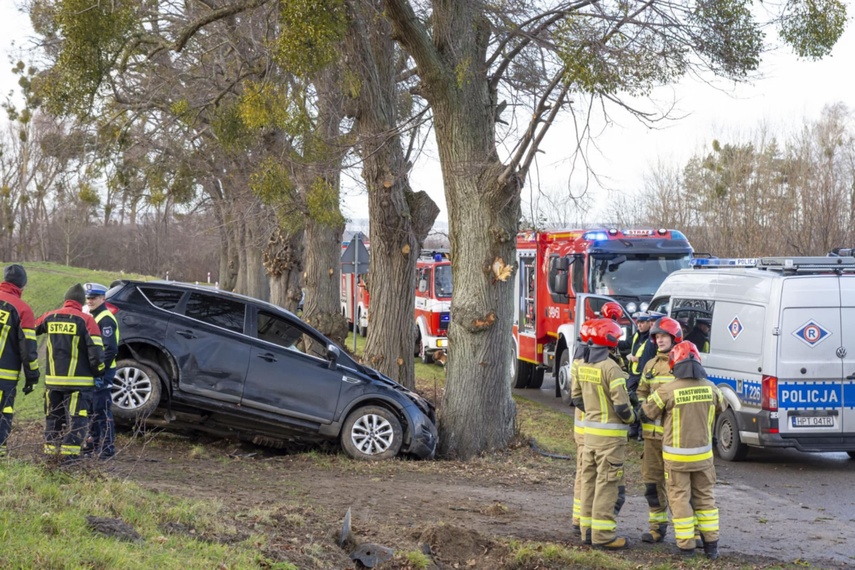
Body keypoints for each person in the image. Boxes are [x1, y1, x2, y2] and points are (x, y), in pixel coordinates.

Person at [639, 341, 728, 559]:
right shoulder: (711, 387)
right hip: (704, 458)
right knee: (705, 499)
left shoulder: (667, 390)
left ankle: (686, 547)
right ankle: (712, 547)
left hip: (676, 458)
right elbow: (722, 407)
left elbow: (645, 413)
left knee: (679, 498)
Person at [571, 318, 636, 549]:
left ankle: (586, 531)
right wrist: (633, 419)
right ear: (609, 341)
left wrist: (595, 413)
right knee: (607, 485)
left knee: (589, 481)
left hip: (589, 437)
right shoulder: (611, 368)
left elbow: (576, 398)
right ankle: (603, 536)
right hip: (610, 441)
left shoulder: (583, 364)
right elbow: (622, 407)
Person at [37, 283, 105, 462]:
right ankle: (70, 461)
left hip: (52, 383)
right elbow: (96, 354)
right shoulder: (87, 321)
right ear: (81, 302)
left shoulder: (49, 317)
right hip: (79, 384)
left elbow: (30, 329)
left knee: (53, 419)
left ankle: (50, 459)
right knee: (77, 421)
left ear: (66, 300)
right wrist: (98, 373)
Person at [635, 316, 683, 544]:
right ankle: (657, 528)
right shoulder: (650, 365)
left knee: (679, 486)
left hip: (675, 439)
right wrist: (645, 407)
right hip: (651, 439)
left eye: (664, 336)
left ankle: (689, 532)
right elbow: (641, 392)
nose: (660, 339)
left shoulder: (682, 362)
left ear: (675, 338)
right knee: (652, 485)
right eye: (657, 336)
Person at [0, 265, 40, 458]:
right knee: (2, 415)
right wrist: (32, 377)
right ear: (22, 286)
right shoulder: (22, 309)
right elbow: (29, 349)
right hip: (3, 377)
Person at [83, 282, 119, 459]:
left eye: (94, 297)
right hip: (95, 371)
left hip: (103, 372)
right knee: (93, 410)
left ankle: (107, 448)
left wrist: (99, 371)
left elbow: (110, 349)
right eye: (88, 298)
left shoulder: (104, 318)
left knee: (101, 410)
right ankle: (92, 445)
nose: (90, 300)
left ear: (103, 298)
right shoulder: (94, 315)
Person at [569, 322, 590, 535]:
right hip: (590, 430)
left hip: (582, 428)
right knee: (587, 475)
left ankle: (579, 518)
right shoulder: (590, 363)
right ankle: (581, 519)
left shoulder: (579, 358)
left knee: (582, 473)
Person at [621, 311, 653, 440]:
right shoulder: (637, 336)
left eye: (642, 322)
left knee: (642, 403)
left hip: (642, 375)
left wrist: (637, 359)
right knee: (631, 401)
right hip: (633, 374)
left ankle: (641, 432)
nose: (639, 325)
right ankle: (633, 428)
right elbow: (625, 345)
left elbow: (651, 358)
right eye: (638, 322)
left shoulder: (651, 339)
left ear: (649, 324)